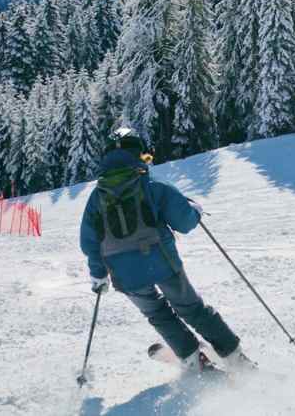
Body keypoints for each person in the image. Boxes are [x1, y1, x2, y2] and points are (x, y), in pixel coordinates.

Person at [79, 126, 251, 374]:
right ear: (139, 153)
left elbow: (89, 241)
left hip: (124, 275)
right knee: (191, 308)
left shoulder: (97, 196)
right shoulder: (151, 184)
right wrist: (195, 210)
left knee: (158, 314)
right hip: (161, 262)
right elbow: (185, 221)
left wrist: (98, 273)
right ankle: (234, 357)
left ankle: (193, 359)